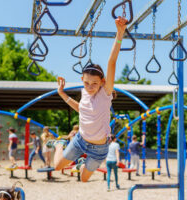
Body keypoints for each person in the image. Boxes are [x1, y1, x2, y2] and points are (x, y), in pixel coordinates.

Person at [50, 17, 127, 182]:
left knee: (84, 178)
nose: (90, 86)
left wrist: (119, 34)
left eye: (94, 83)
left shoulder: (105, 93)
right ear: (82, 79)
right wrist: (62, 93)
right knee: (57, 166)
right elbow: (81, 110)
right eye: (86, 83)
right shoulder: (84, 92)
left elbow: (111, 62)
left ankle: (82, 163)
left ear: (102, 82)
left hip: (99, 148)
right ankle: (58, 145)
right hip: (80, 141)